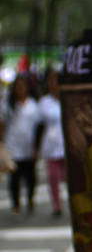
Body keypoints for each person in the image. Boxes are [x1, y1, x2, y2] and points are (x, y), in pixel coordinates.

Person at [2, 74, 40, 214]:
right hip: (13, 145)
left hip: (29, 146)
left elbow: (38, 126)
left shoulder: (34, 105)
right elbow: (2, 125)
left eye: (22, 86)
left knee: (30, 176)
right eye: (17, 86)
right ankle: (15, 203)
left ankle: (30, 199)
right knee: (14, 177)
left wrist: (37, 146)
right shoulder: (8, 105)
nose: (20, 89)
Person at [38, 69, 65, 216]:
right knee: (53, 178)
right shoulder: (44, 102)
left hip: (68, 146)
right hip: (51, 146)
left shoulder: (69, 99)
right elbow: (38, 126)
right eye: (51, 81)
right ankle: (56, 205)